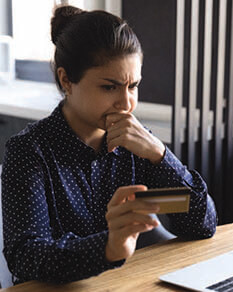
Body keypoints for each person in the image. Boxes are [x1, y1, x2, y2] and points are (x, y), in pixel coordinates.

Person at [1, 5, 217, 285]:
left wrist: (160, 155)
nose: (126, 104)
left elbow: (203, 226)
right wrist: (109, 246)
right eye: (109, 87)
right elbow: (26, 257)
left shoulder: (138, 145)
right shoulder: (29, 152)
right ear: (66, 80)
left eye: (133, 86)